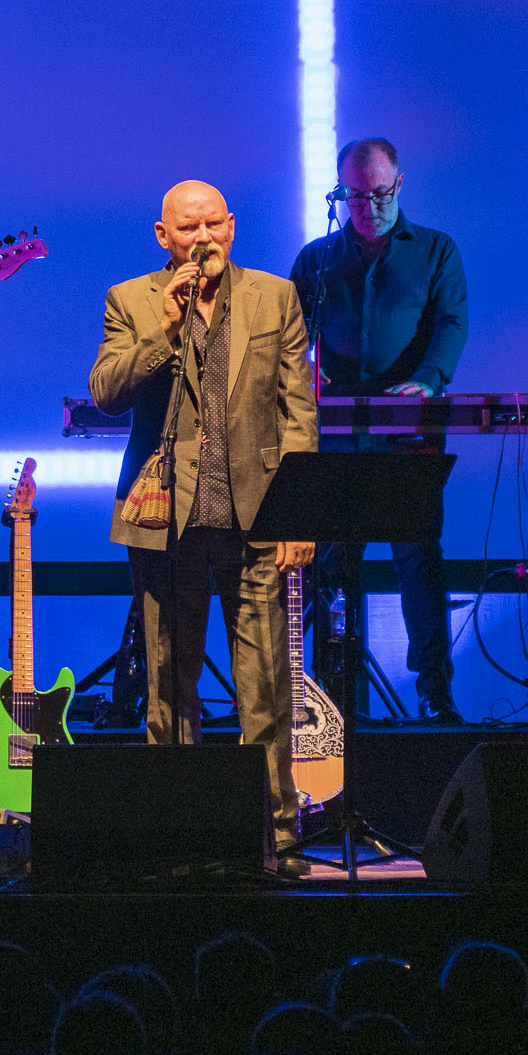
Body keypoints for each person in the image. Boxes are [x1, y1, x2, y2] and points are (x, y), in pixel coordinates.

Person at [90, 181, 318, 873]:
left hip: (255, 520)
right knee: (169, 684)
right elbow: (105, 393)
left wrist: (298, 515)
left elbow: (297, 413)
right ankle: (178, 829)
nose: (203, 239)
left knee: (266, 685)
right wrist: (163, 330)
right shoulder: (130, 300)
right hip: (167, 522)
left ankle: (274, 835)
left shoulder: (274, 297)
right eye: (187, 229)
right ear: (164, 238)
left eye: (213, 225)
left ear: (232, 226)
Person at [288, 138, 468, 722]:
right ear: (342, 194)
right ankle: (323, 696)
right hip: (335, 436)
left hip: (407, 433)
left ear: (400, 184)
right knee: (329, 561)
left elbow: (450, 323)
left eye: (381, 194)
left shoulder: (436, 251)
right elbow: (289, 338)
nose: (369, 207)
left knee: (418, 557)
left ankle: (434, 691)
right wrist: (304, 380)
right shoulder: (317, 260)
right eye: (357, 197)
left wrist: (428, 381)